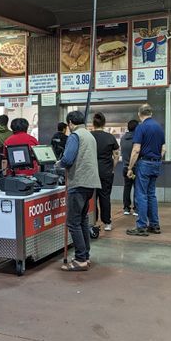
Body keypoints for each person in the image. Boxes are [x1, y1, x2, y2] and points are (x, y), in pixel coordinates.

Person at [59, 110, 100, 271]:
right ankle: (85, 256)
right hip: (90, 183)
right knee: (82, 220)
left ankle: (80, 259)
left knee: (73, 222)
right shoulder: (89, 135)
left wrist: (58, 164)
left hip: (79, 183)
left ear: (70, 123)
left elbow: (68, 159)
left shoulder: (75, 136)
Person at [126, 104, 165, 237]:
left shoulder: (141, 127)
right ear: (151, 113)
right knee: (151, 194)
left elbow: (136, 149)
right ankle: (154, 225)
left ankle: (141, 226)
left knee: (141, 194)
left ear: (139, 114)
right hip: (156, 163)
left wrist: (130, 167)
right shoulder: (159, 127)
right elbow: (163, 149)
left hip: (144, 163)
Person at [90, 112, 119, 231]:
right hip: (106, 172)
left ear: (93, 123)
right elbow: (116, 155)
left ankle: (93, 221)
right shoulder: (110, 137)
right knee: (105, 197)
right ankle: (107, 222)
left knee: (92, 197)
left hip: (91, 172)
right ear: (104, 123)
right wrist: (112, 168)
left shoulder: (89, 136)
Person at [120, 119, 138, 215]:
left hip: (125, 167)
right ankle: (136, 208)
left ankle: (126, 208)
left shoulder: (123, 138)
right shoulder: (137, 138)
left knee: (127, 187)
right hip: (135, 167)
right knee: (137, 187)